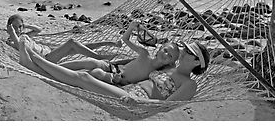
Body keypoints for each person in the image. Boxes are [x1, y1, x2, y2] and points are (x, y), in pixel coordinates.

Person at [19, 38, 210, 102]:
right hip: (126, 89)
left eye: (189, 52)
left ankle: (34, 62)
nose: (184, 52)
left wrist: (140, 104)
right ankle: (34, 65)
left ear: (196, 63)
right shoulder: (171, 67)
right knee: (85, 76)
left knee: (84, 78)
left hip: (136, 101)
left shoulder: (190, 84)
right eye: (185, 50)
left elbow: (166, 105)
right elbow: (146, 63)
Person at [58, 20, 179, 86]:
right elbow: (125, 40)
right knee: (90, 62)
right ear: (159, 49)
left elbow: (176, 70)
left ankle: (64, 76)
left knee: (96, 72)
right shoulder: (144, 53)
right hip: (114, 67)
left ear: (172, 62)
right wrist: (131, 28)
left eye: (170, 56)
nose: (166, 54)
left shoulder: (158, 73)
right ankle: (56, 68)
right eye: (166, 50)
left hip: (118, 79)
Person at [6, 14, 121, 67]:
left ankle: (108, 43)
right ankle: (100, 58)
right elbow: (19, 46)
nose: (18, 29)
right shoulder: (13, 41)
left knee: (78, 47)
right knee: (72, 42)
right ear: (10, 28)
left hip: (49, 51)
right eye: (15, 27)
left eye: (20, 26)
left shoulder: (24, 35)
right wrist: (12, 32)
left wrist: (25, 25)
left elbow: (38, 30)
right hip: (46, 59)